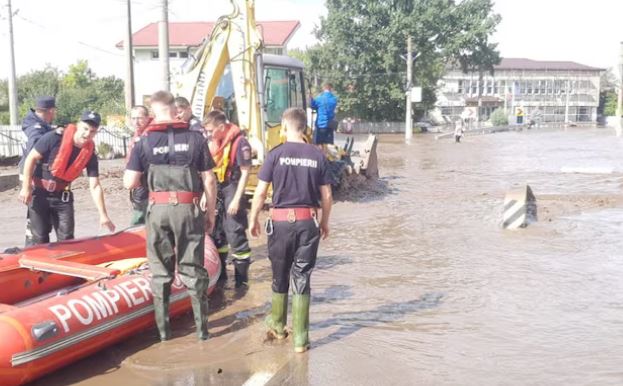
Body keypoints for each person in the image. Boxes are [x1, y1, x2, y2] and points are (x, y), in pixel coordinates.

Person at [123, 90, 217, 341]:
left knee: (161, 272)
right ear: (175, 109)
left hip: (158, 210)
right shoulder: (196, 138)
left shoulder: (143, 142)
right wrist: (211, 213)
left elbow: (130, 182)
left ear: (153, 111)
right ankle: (202, 333)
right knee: (193, 269)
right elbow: (209, 178)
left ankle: (164, 335)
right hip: (189, 208)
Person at [249, 107, 333, 353]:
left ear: (284, 128)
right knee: (302, 276)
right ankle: (301, 340)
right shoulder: (317, 156)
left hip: (281, 223)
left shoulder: (276, 154)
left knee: (279, 273)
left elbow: (261, 192)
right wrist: (325, 221)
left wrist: (253, 218)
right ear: (304, 128)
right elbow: (327, 196)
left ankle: (277, 325)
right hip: (309, 223)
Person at [18, 111, 116, 246]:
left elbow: (95, 186)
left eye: (92, 131)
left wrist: (103, 215)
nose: (87, 134)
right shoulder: (53, 138)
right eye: (85, 129)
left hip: (62, 197)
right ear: (78, 126)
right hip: (39, 194)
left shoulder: (90, 154)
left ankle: (65, 262)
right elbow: (31, 158)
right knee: (39, 237)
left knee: (67, 238)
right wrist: (26, 187)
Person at [204, 110, 252, 288]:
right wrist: (205, 195)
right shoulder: (214, 144)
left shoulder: (240, 143)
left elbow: (246, 173)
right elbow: (209, 172)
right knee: (216, 234)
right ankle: (222, 276)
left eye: (211, 130)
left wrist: (236, 200)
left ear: (221, 127)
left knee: (235, 232)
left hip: (233, 187)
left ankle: (242, 282)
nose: (209, 134)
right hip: (218, 188)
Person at [127, 105, 151, 225]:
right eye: (133, 118)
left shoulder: (151, 135)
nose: (136, 121)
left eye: (140, 118)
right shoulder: (137, 134)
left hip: (146, 183)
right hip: (137, 183)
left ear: (147, 118)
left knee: (139, 218)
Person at [309, 83, 338, 148]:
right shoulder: (334, 99)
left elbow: (312, 106)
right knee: (327, 146)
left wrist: (311, 99)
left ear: (323, 88)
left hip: (320, 125)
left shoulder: (319, 99)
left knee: (318, 145)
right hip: (330, 126)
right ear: (331, 89)